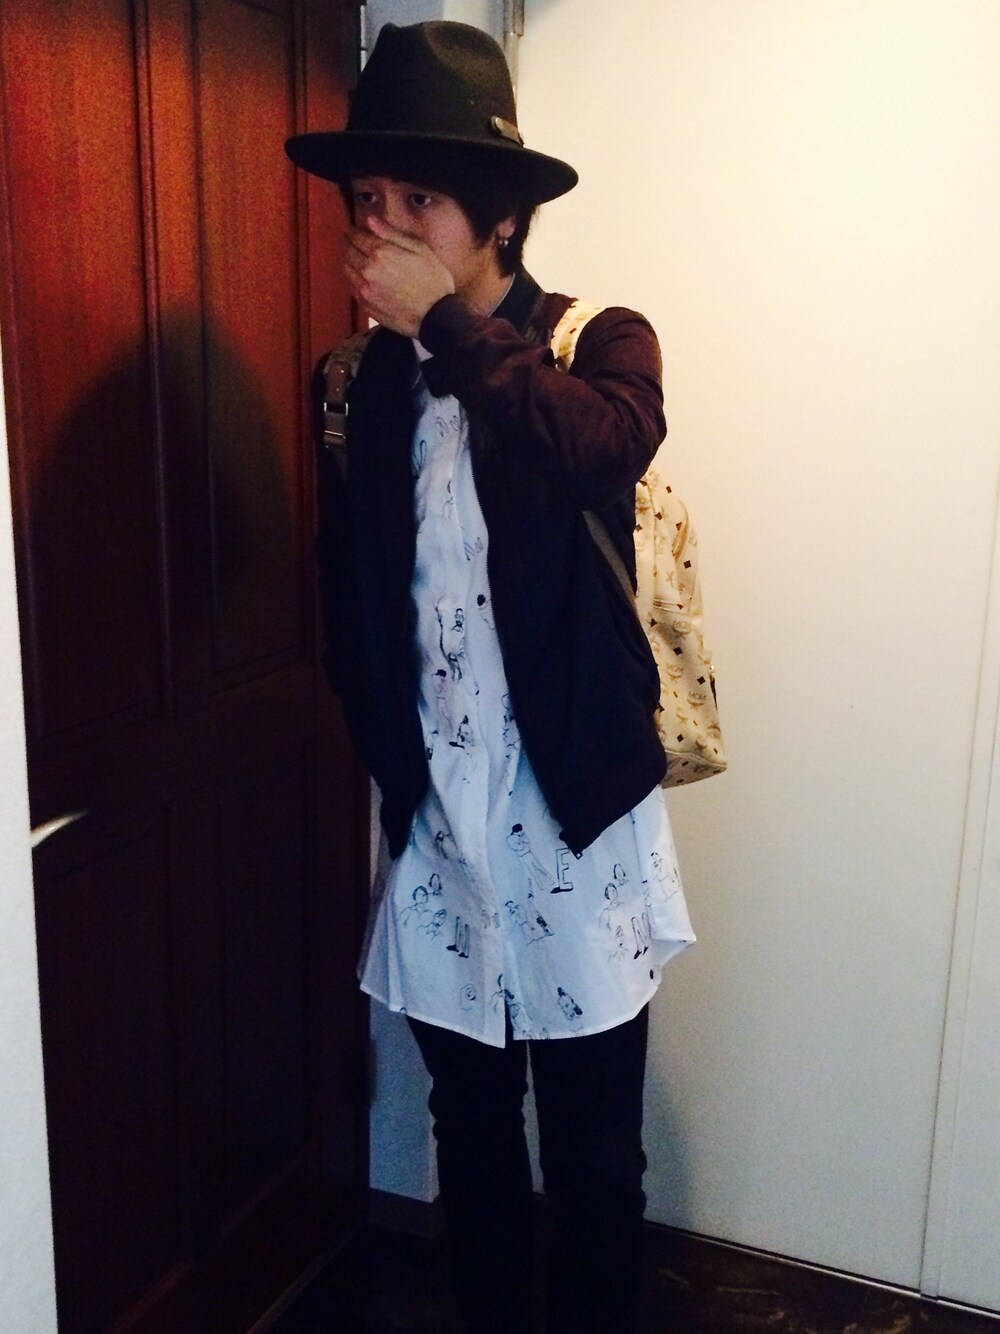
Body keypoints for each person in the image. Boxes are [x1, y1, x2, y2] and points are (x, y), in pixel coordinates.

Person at [285, 21, 695, 1334]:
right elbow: (351, 591)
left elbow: (598, 452)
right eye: (367, 200)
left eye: (418, 199)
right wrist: (391, 765)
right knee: (469, 1132)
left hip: (575, 825)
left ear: (500, 216)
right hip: (440, 831)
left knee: (593, 1158)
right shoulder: (356, 383)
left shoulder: (596, 343)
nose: (382, 228)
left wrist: (455, 328)